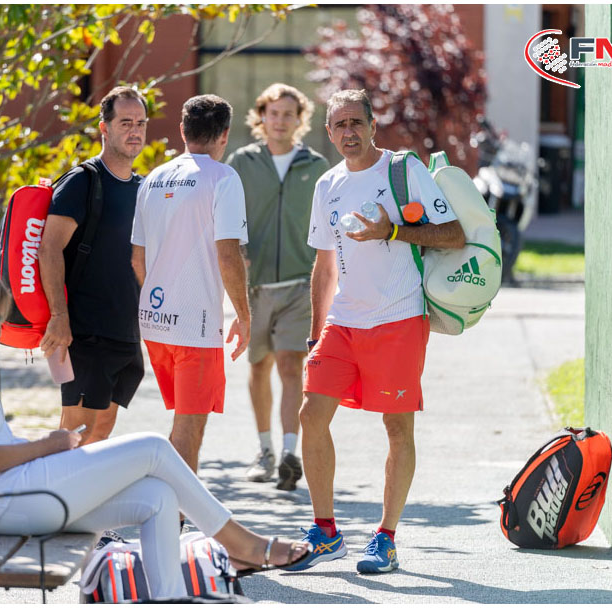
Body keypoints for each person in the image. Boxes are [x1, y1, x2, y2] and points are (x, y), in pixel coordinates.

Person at [0, 264, 311, 599]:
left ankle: (170, 598)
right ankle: (241, 544)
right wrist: (47, 445)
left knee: (157, 496)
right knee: (153, 448)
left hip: (16, 496)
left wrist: (49, 448)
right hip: (5, 504)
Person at [288, 90, 465, 574]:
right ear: (329, 132)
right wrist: (314, 336)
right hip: (344, 321)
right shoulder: (327, 184)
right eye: (339, 125)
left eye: (356, 122)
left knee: (396, 427)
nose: (349, 132)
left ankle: (386, 539)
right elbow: (325, 267)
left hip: (398, 317)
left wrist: (393, 231)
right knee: (311, 414)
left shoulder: (403, 171)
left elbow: (453, 235)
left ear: (371, 125)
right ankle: (326, 532)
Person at [130, 95, 250, 474]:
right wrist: (244, 314)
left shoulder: (152, 179)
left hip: (155, 322)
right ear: (224, 135)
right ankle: (173, 508)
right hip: (194, 327)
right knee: (190, 428)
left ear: (182, 130)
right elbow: (228, 255)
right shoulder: (223, 178)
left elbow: (137, 259)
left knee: (184, 423)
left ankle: (170, 503)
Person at [226, 83, 330, 491]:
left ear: (300, 120)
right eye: (274, 113)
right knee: (258, 367)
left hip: (300, 285)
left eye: (289, 114)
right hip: (253, 287)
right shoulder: (242, 162)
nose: (281, 121)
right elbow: (226, 215)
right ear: (261, 117)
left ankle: (289, 453)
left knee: (290, 366)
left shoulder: (316, 166)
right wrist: (237, 255)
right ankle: (265, 449)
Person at [37, 86, 148, 444]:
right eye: (126, 122)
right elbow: (49, 248)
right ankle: (51, 483)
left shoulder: (143, 188)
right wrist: (59, 316)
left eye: (141, 123)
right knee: (74, 435)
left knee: (100, 433)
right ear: (104, 127)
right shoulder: (83, 181)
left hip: (125, 332)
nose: (135, 131)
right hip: (84, 333)